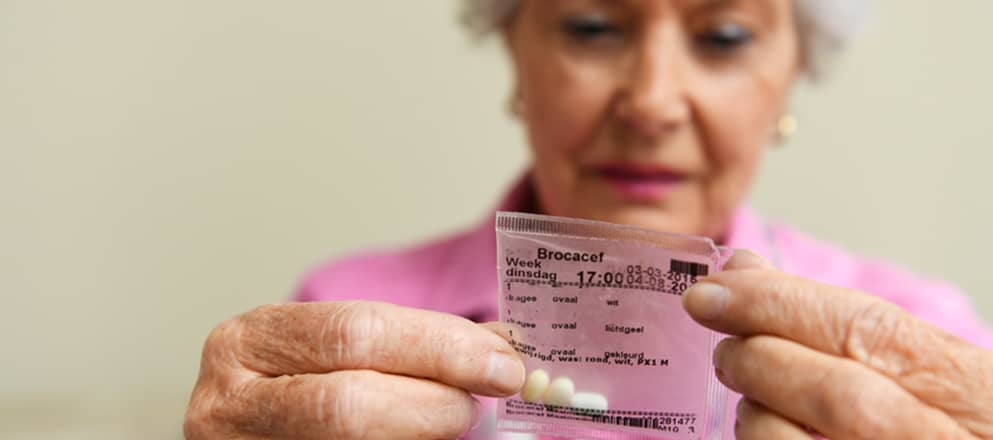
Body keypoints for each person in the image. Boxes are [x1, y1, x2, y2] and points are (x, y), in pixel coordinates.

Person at [184, 1, 993, 439]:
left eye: (721, 36)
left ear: (792, 73)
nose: (649, 103)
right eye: (593, 27)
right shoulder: (349, 318)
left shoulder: (929, 345)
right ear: (513, 50)